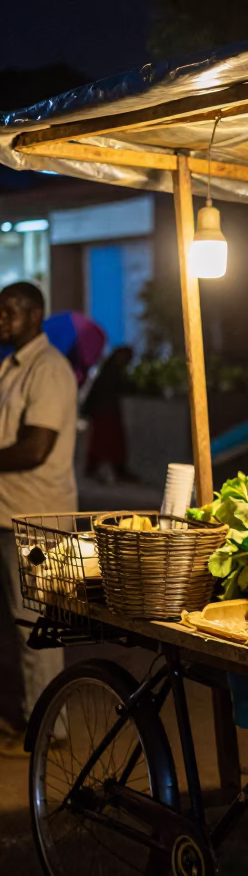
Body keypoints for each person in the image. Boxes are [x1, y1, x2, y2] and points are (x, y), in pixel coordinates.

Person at [0, 282, 78, 756]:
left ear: (35, 315)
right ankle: (36, 718)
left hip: (37, 520)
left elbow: (35, 447)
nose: (1, 320)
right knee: (22, 624)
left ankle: (50, 728)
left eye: (9, 312)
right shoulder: (12, 366)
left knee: (37, 627)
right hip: (11, 514)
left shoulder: (48, 369)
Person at [82, 344, 136, 482]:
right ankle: (102, 468)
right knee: (106, 441)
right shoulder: (112, 371)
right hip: (105, 412)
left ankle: (98, 468)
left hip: (105, 411)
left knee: (105, 442)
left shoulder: (108, 370)